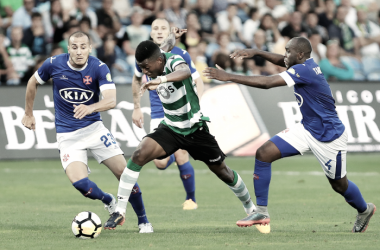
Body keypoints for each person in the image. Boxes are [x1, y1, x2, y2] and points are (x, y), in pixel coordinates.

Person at [203, 37, 376, 233]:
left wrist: (229, 76)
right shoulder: (307, 63)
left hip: (329, 136)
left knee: (339, 185)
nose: (285, 55)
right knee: (264, 153)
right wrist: (257, 52)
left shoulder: (304, 70)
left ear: (300, 54)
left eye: (288, 51)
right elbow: (282, 61)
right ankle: (261, 211)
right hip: (307, 128)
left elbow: (267, 83)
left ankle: (364, 209)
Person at [104, 39, 256, 230]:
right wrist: (170, 39)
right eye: (141, 67)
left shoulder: (175, 61)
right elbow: (162, 50)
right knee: (139, 154)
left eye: (146, 67)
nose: (144, 72)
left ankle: (251, 209)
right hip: (171, 128)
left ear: (159, 61)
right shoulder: (157, 60)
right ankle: (120, 210)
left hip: (195, 129)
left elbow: (184, 71)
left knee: (222, 171)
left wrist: (161, 80)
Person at [21, 31, 153, 234]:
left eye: (83, 47)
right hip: (68, 135)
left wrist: (90, 108)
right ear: (68, 48)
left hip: (94, 130)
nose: (79, 51)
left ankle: (143, 221)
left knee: (125, 174)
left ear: (90, 48)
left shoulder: (99, 67)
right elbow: (32, 82)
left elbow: (111, 99)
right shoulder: (53, 64)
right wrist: (28, 113)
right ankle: (108, 199)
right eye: (74, 47)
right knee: (81, 185)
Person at [132, 19, 203, 210]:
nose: (159, 31)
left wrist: (195, 105)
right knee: (160, 163)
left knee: (181, 154)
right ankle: (174, 152)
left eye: (163, 28)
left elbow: (198, 81)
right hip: (158, 113)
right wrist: (136, 107)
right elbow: (136, 80)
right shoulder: (144, 53)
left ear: (169, 31)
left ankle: (191, 200)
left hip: (180, 112)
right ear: (151, 33)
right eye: (155, 28)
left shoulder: (181, 54)